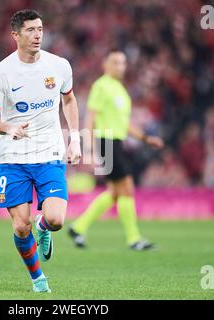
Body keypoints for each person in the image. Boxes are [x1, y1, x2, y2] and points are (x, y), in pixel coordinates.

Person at [0, 9, 81, 293]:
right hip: (13, 158)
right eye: (30, 30)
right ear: (15, 35)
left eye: (40, 29)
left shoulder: (59, 66)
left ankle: (44, 227)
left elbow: (69, 101)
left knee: (57, 220)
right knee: (21, 227)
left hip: (49, 152)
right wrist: (7, 128)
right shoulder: (1, 73)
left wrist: (75, 139)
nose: (37, 35)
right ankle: (38, 279)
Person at [68, 50, 164, 250]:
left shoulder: (120, 89)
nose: (120, 66)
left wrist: (145, 138)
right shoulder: (101, 86)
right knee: (127, 188)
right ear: (105, 65)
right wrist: (89, 148)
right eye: (115, 62)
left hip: (116, 142)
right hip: (106, 142)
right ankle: (134, 239)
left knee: (114, 193)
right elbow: (90, 117)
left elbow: (125, 122)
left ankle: (78, 227)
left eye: (123, 62)